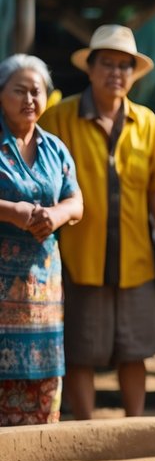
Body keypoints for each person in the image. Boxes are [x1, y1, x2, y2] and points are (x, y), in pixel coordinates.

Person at [40, 24, 155, 420]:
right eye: (107, 64)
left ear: (134, 73)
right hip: (79, 256)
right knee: (82, 349)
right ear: (91, 67)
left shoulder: (147, 122)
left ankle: (133, 425)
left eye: (125, 65)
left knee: (135, 350)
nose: (116, 73)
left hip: (135, 257)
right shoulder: (58, 117)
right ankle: (86, 426)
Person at [0, 55, 83, 426]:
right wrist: (11, 211)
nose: (30, 99)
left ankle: (38, 447)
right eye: (20, 90)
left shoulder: (55, 148)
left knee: (44, 360)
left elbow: (76, 201)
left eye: (37, 91)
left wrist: (57, 215)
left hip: (43, 280)